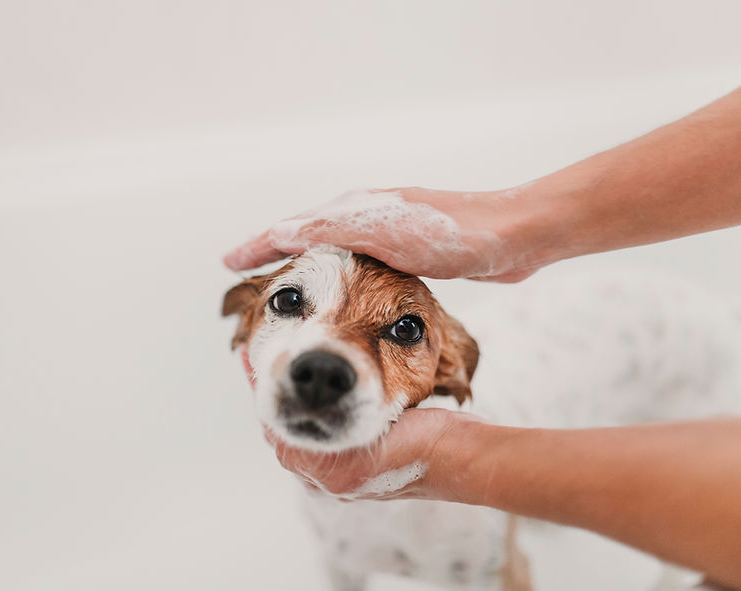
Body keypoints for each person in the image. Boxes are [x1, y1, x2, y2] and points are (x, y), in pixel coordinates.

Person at [223, 87, 741, 587]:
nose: (323, 364)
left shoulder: (469, 538)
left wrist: (464, 461)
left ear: (451, 369)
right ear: (247, 327)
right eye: (290, 302)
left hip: (670, 352)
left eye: (405, 330)